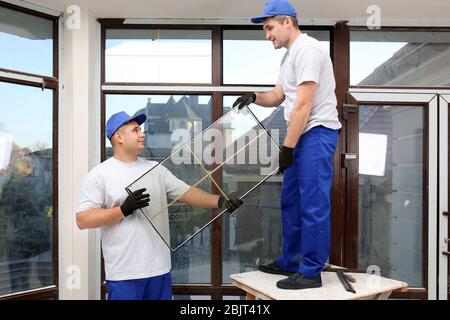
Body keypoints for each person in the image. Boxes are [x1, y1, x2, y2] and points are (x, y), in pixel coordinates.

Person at [75, 111, 243, 300]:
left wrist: (221, 201)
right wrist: (123, 210)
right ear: (118, 137)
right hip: (124, 273)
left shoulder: (155, 169)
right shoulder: (100, 174)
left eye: (141, 130)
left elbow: (186, 192)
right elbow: (82, 219)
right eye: (135, 130)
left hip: (159, 270)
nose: (142, 134)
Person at [233, 0, 341, 289]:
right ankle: (291, 261)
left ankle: (311, 271)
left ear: (287, 22)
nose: (267, 34)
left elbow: (303, 106)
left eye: (269, 27)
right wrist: (254, 96)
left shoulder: (308, 49)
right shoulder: (289, 56)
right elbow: (280, 95)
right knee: (291, 200)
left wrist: (288, 147)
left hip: (316, 134)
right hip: (300, 136)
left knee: (313, 204)